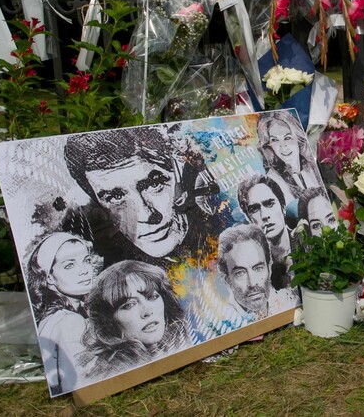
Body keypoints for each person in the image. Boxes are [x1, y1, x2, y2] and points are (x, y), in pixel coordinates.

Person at [64, 127, 220, 266]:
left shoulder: (223, 227)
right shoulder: (108, 267)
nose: (146, 215)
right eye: (116, 197)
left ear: (179, 176)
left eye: (154, 185)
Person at [78, 260, 190, 381]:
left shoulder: (183, 339)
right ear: (109, 322)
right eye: (129, 305)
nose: (147, 311)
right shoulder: (107, 374)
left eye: (152, 297)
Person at [26, 232, 101, 396]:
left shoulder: (56, 316)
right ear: (49, 278)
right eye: (69, 265)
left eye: (86, 260)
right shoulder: (70, 321)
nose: (84, 271)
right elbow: (80, 385)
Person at [217, 224, 298, 319]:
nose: (252, 283)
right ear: (227, 281)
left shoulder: (289, 302)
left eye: (258, 268)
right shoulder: (223, 322)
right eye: (240, 273)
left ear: (269, 268)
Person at [237, 174, 297, 289]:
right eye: (254, 209)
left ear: (282, 206)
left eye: (269, 204)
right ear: (249, 219)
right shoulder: (254, 266)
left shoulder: (305, 241)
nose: (264, 215)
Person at [256, 111, 322, 206]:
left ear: (298, 139)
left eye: (287, 138)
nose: (283, 146)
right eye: (274, 140)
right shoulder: (272, 181)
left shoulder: (314, 166)